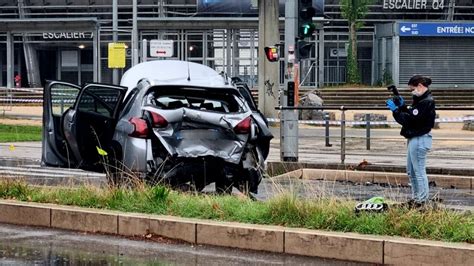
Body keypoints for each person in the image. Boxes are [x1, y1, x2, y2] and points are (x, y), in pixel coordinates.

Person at [385, 75, 436, 207]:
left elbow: (410, 120)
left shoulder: (426, 101)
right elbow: (411, 115)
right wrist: (403, 107)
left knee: (419, 171)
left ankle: (422, 201)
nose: (411, 92)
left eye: (412, 89)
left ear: (420, 86)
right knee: (411, 171)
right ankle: (416, 198)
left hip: (420, 138)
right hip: (415, 138)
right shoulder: (420, 100)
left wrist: (396, 111)